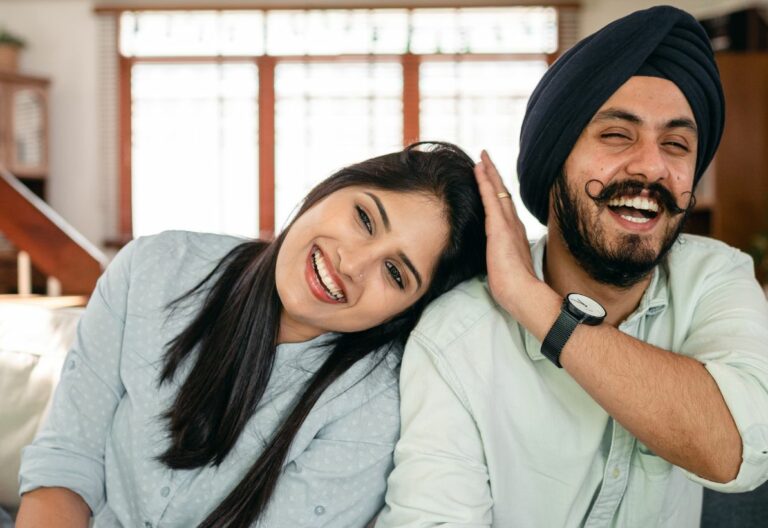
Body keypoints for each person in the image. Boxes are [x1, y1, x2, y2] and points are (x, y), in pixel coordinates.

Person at [377, 6, 768, 528]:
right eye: (615, 135)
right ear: (554, 160)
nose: (652, 166)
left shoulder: (715, 277)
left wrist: (535, 305)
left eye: (676, 145)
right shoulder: (457, 337)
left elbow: (738, 451)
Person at [16, 142, 486, 528]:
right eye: (364, 218)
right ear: (332, 188)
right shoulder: (152, 269)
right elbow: (64, 465)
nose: (353, 263)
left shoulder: (379, 404)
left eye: (395, 273)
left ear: (403, 313)